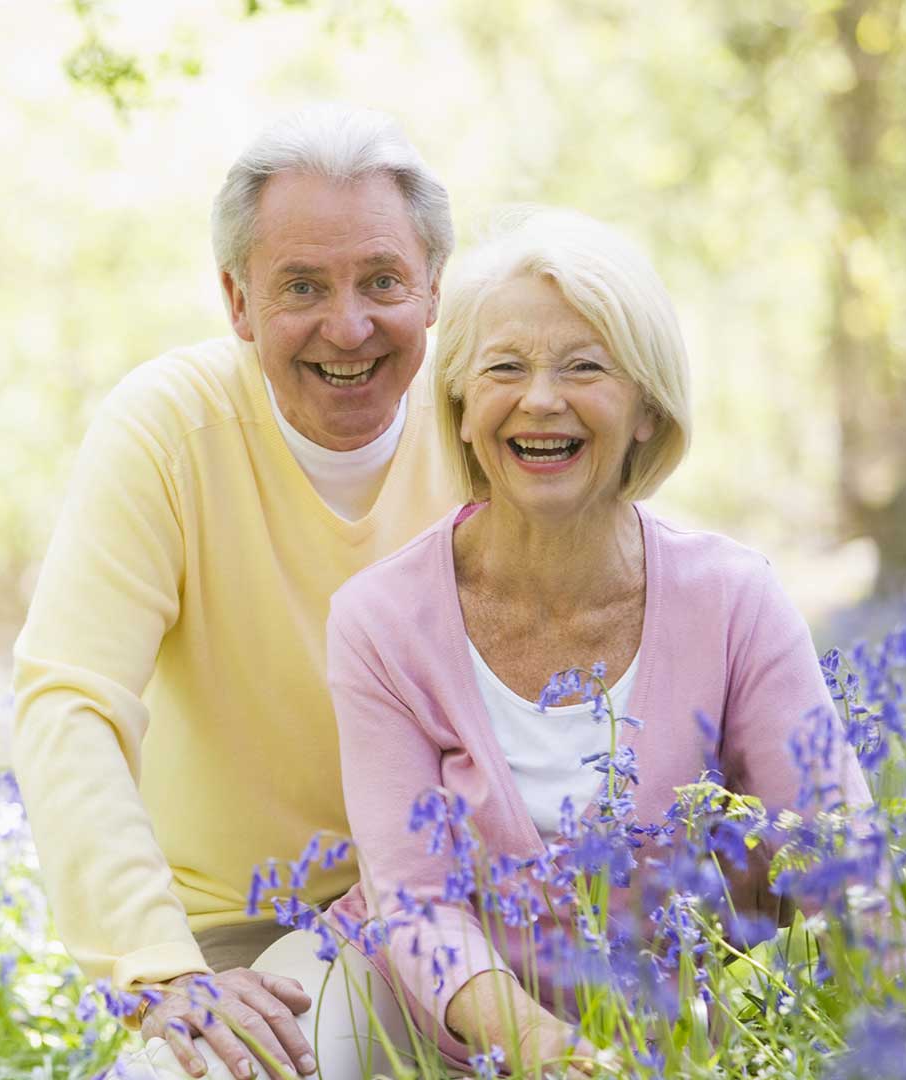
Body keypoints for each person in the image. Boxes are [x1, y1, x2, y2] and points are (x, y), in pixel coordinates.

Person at [322, 207, 875, 1074]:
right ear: (463, 407)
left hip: (671, 1032)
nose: (541, 399)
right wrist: (545, 1050)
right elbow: (417, 903)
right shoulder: (380, 621)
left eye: (585, 367)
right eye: (505, 367)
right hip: (429, 1013)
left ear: (648, 409)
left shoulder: (734, 601)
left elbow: (836, 846)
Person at [11, 105, 462, 1080]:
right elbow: (70, 704)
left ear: (433, 289)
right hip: (228, 937)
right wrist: (159, 965)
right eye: (302, 285)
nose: (348, 325)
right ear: (237, 301)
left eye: (381, 280)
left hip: (454, 913)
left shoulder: (486, 422)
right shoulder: (167, 431)